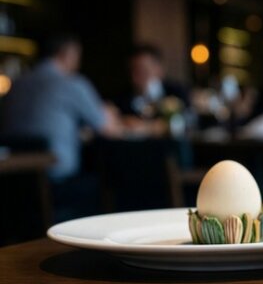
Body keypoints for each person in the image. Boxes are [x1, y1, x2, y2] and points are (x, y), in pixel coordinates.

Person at [0, 33, 118, 181]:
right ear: (67, 54)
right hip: (57, 177)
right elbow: (107, 128)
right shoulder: (71, 83)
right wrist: (110, 112)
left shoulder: (17, 84)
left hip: (13, 179)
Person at [113, 44, 190, 119]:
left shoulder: (178, 92)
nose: (137, 76)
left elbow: (187, 120)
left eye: (144, 71)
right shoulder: (121, 99)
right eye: (133, 70)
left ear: (159, 69)